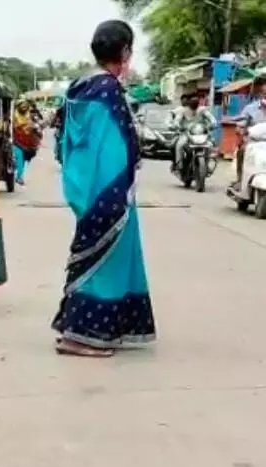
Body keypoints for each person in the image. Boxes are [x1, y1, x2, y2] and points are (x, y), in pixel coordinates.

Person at [51, 20, 155, 357]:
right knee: (107, 261)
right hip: (109, 190)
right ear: (124, 51)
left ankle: (78, 327)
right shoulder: (108, 89)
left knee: (94, 258)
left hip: (86, 186)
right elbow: (112, 146)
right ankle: (83, 335)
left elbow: (67, 142)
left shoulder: (79, 86)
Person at [231, 76, 266, 193]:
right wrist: (240, 130)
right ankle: (241, 179)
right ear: (260, 93)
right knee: (242, 151)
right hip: (254, 142)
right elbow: (240, 124)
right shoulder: (250, 108)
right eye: (263, 93)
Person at [172, 94, 217, 172]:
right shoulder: (183, 110)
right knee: (179, 145)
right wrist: (177, 125)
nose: (194, 104)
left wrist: (213, 124)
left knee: (210, 145)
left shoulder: (202, 110)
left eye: (196, 102)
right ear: (189, 102)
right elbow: (177, 120)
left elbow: (211, 118)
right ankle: (180, 165)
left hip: (201, 134)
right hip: (187, 133)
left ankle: (207, 164)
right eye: (193, 102)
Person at [12, 100, 40, 186]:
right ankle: (19, 176)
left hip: (27, 142)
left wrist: (34, 128)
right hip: (16, 141)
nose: (24, 108)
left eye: (25, 106)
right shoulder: (14, 116)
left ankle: (19, 176)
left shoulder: (29, 115)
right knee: (19, 157)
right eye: (22, 106)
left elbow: (36, 127)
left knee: (23, 160)